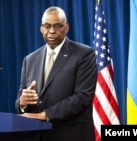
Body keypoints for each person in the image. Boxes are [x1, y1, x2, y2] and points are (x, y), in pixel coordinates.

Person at [15, 6, 97, 141]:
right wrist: (22, 103)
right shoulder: (30, 60)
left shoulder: (84, 54)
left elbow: (83, 97)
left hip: (71, 134)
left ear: (66, 28)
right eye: (47, 26)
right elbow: (21, 100)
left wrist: (46, 115)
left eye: (57, 26)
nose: (51, 31)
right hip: (38, 136)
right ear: (41, 28)